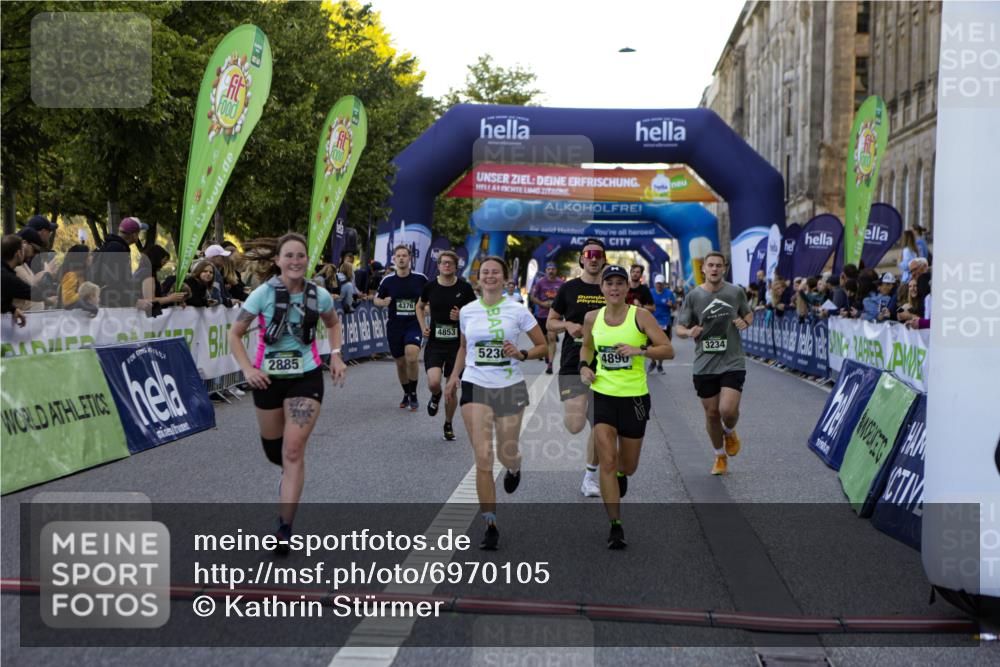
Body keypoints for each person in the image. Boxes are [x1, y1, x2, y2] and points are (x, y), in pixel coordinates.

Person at [227, 233, 346, 554]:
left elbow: (333, 324)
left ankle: (284, 527)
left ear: (308, 260)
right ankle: (286, 475)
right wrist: (248, 369)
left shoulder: (319, 295)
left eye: (301, 256)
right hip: (268, 379)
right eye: (289, 256)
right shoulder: (263, 295)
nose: (295, 261)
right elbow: (235, 334)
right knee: (274, 451)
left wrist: (335, 353)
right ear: (278, 261)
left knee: (293, 451)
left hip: (305, 377)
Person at [444, 256, 547, 550]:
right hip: (475, 384)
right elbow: (464, 347)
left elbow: (544, 346)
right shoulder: (467, 311)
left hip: (510, 387)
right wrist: (453, 377)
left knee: (506, 452)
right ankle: (490, 524)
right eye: (485, 272)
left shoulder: (518, 311)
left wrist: (522, 354)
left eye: (495, 273)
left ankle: (514, 467)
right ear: (479, 278)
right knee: (483, 458)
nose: (489, 276)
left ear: (504, 279)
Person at [579, 265, 674, 548]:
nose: (615, 288)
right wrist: (584, 367)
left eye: (620, 283)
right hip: (602, 395)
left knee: (627, 466)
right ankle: (615, 525)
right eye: (610, 284)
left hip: (634, 398)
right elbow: (587, 346)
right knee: (606, 460)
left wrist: (640, 350)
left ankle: (622, 475)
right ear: (602, 288)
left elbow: (668, 350)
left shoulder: (640, 316)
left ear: (627, 289)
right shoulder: (591, 317)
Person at [676, 252, 753, 476]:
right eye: (710, 265)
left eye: (719, 266)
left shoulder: (735, 292)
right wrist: (689, 331)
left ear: (724, 269)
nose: (714, 269)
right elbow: (679, 328)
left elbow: (749, 315)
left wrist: (744, 321)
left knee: (727, 410)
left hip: (732, 359)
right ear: (704, 269)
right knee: (711, 414)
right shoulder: (693, 296)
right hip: (704, 363)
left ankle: (729, 431)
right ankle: (719, 456)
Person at [548, 238, 607, 497]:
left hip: (607, 364)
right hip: (573, 361)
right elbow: (550, 322)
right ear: (582, 259)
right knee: (575, 424)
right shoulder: (568, 289)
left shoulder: (612, 288)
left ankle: (590, 477)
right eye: (589, 254)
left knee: (601, 423)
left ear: (604, 259)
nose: (593, 258)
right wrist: (567, 326)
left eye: (598, 254)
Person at [416, 250, 476, 441]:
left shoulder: (465, 288)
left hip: (457, 347)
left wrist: (462, 316)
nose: (447, 266)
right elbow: (419, 306)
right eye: (444, 263)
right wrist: (423, 326)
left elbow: (476, 313)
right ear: (439, 266)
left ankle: (448, 424)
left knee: (452, 388)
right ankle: (435, 395)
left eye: (450, 263)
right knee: (434, 382)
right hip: (435, 342)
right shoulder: (430, 286)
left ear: (456, 266)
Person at [374, 245, 427, 410]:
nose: (402, 258)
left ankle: (414, 394)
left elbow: (430, 300)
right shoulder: (388, 280)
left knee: (411, 357)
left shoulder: (420, 279)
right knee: (400, 363)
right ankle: (406, 393)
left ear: (410, 258)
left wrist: (426, 308)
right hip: (395, 326)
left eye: (404, 255)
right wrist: (382, 302)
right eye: (398, 256)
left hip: (414, 324)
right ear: (394, 259)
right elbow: (376, 299)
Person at [92, 217, 146, 307]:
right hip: (110, 305)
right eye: (138, 233)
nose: (138, 236)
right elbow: (112, 281)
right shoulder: (116, 248)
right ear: (133, 235)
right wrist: (134, 301)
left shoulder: (116, 247)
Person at [529, 261, 565, 375]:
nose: (551, 271)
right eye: (549, 269)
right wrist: (542, 304)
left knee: (552, 338)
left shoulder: (561, 283)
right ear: (546, 271)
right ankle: (546, 354)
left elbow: (566, 298)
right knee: (544, 339)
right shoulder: (540, 282)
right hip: (542, 315)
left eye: (553, 269)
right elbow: (532, 297)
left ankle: (550, 364)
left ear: (556, 271)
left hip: (555, 315)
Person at [135, 244, 186, 317]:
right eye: (163, 261)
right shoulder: (147, 273)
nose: (163, 265)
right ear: (156, 258)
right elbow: (150, 300)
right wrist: (170, 298)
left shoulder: (141, 271)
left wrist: (173, 300)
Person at [14, 227, 57, 311]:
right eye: (35, 250)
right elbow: (29, 286)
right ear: (24, 243)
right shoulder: (14, 265)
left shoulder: (23, 264)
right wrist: (46, 273)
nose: (35, 254)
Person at [2, 234, 34, 321]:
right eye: (23, 250)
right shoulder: (6, 276)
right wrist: (47, 297)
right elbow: (30, 292)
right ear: (18, 254)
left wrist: (12, 309)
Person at [58, 244, 98, 314]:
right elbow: (67, 300)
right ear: (82, 258)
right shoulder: (71, 275)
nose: (91, 257)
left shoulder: (84, 275)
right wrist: (83, 294)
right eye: (89, 255)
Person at [649, 274, 676, 373]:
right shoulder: (650, 292)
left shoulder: (669, 293)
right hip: (652, 322)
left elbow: (675, 307)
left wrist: (671, 305)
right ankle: (653, 362)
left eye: (660, 284)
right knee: (651, 344)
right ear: (655, 284)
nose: (659, 286)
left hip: (665, 322)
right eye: (657, 284)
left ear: (664, 284)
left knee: (663, 345)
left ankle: (660, 365)